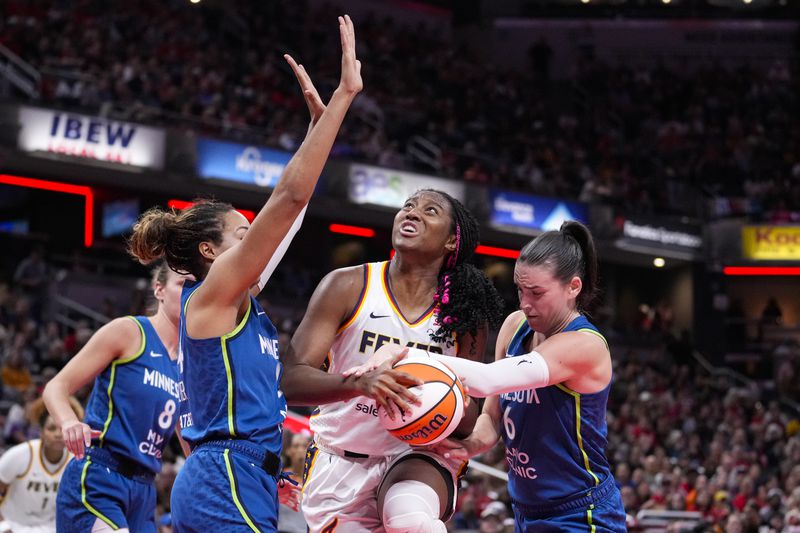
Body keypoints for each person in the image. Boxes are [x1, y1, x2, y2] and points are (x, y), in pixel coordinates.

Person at [127, 15, 371, 532]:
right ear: (210, 250)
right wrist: (344, 99)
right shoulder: (213, 294)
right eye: (243, 233)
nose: (255, 239)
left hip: (239, 476)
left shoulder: (236, 303)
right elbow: (288, 199)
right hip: (225, 481)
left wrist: (314, 129)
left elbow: (288, 222)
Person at [354, 221, 627, 532]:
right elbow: (493, 415)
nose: (525, 303)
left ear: (573, 287)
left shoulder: (584, 345)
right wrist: (471, 445)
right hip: (525, 506)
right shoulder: (514, 326)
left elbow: (486, 379)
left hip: (582, 511)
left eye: (537, 293)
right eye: (520, 289)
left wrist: (403, 353)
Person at [281, 188, 505, 532]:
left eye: (430, 211)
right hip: (340, 459)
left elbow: (468, 419)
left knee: (410, 519)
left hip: (419, 456)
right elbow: (291, 381)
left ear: (450, 241)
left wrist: (439, 401)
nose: (412, 213)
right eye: (408, 206)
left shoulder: (464, 314)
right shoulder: (347, 285)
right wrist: (361, 384)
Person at [43, 262, 190, 533]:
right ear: (159, 289)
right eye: (182, 284)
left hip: (145, 490)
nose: (190, 292)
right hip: (101, 474)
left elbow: (188, 441)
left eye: (196, 286)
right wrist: (68, 422)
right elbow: (56, 386)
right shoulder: (130, 332)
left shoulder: (188, 364)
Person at [0, 398, 82, 533]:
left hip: (50, 528)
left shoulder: (76, 461)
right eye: (51, 429)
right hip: (11, 524)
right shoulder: (20, 454)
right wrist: (3, 526)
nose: (58, 434)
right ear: (41, 433)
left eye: (62, 429)